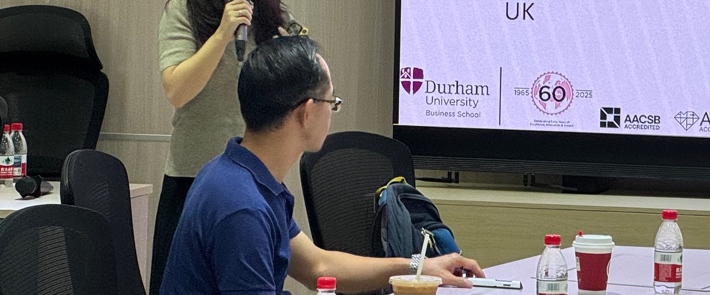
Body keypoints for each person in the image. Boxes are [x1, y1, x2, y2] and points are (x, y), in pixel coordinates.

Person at [161, 35, 484, 295]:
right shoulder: (242, 207)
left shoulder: (239, 174)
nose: (332, 111)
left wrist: (417, 266)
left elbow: (317, 266)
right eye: (332, 102)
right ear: (306, 112)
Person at [153, 0, 303, 295]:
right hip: (192, 179)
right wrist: (223, 32)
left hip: (256, 183)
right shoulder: (184, 10)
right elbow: (176, 90)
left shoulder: (276, 18)